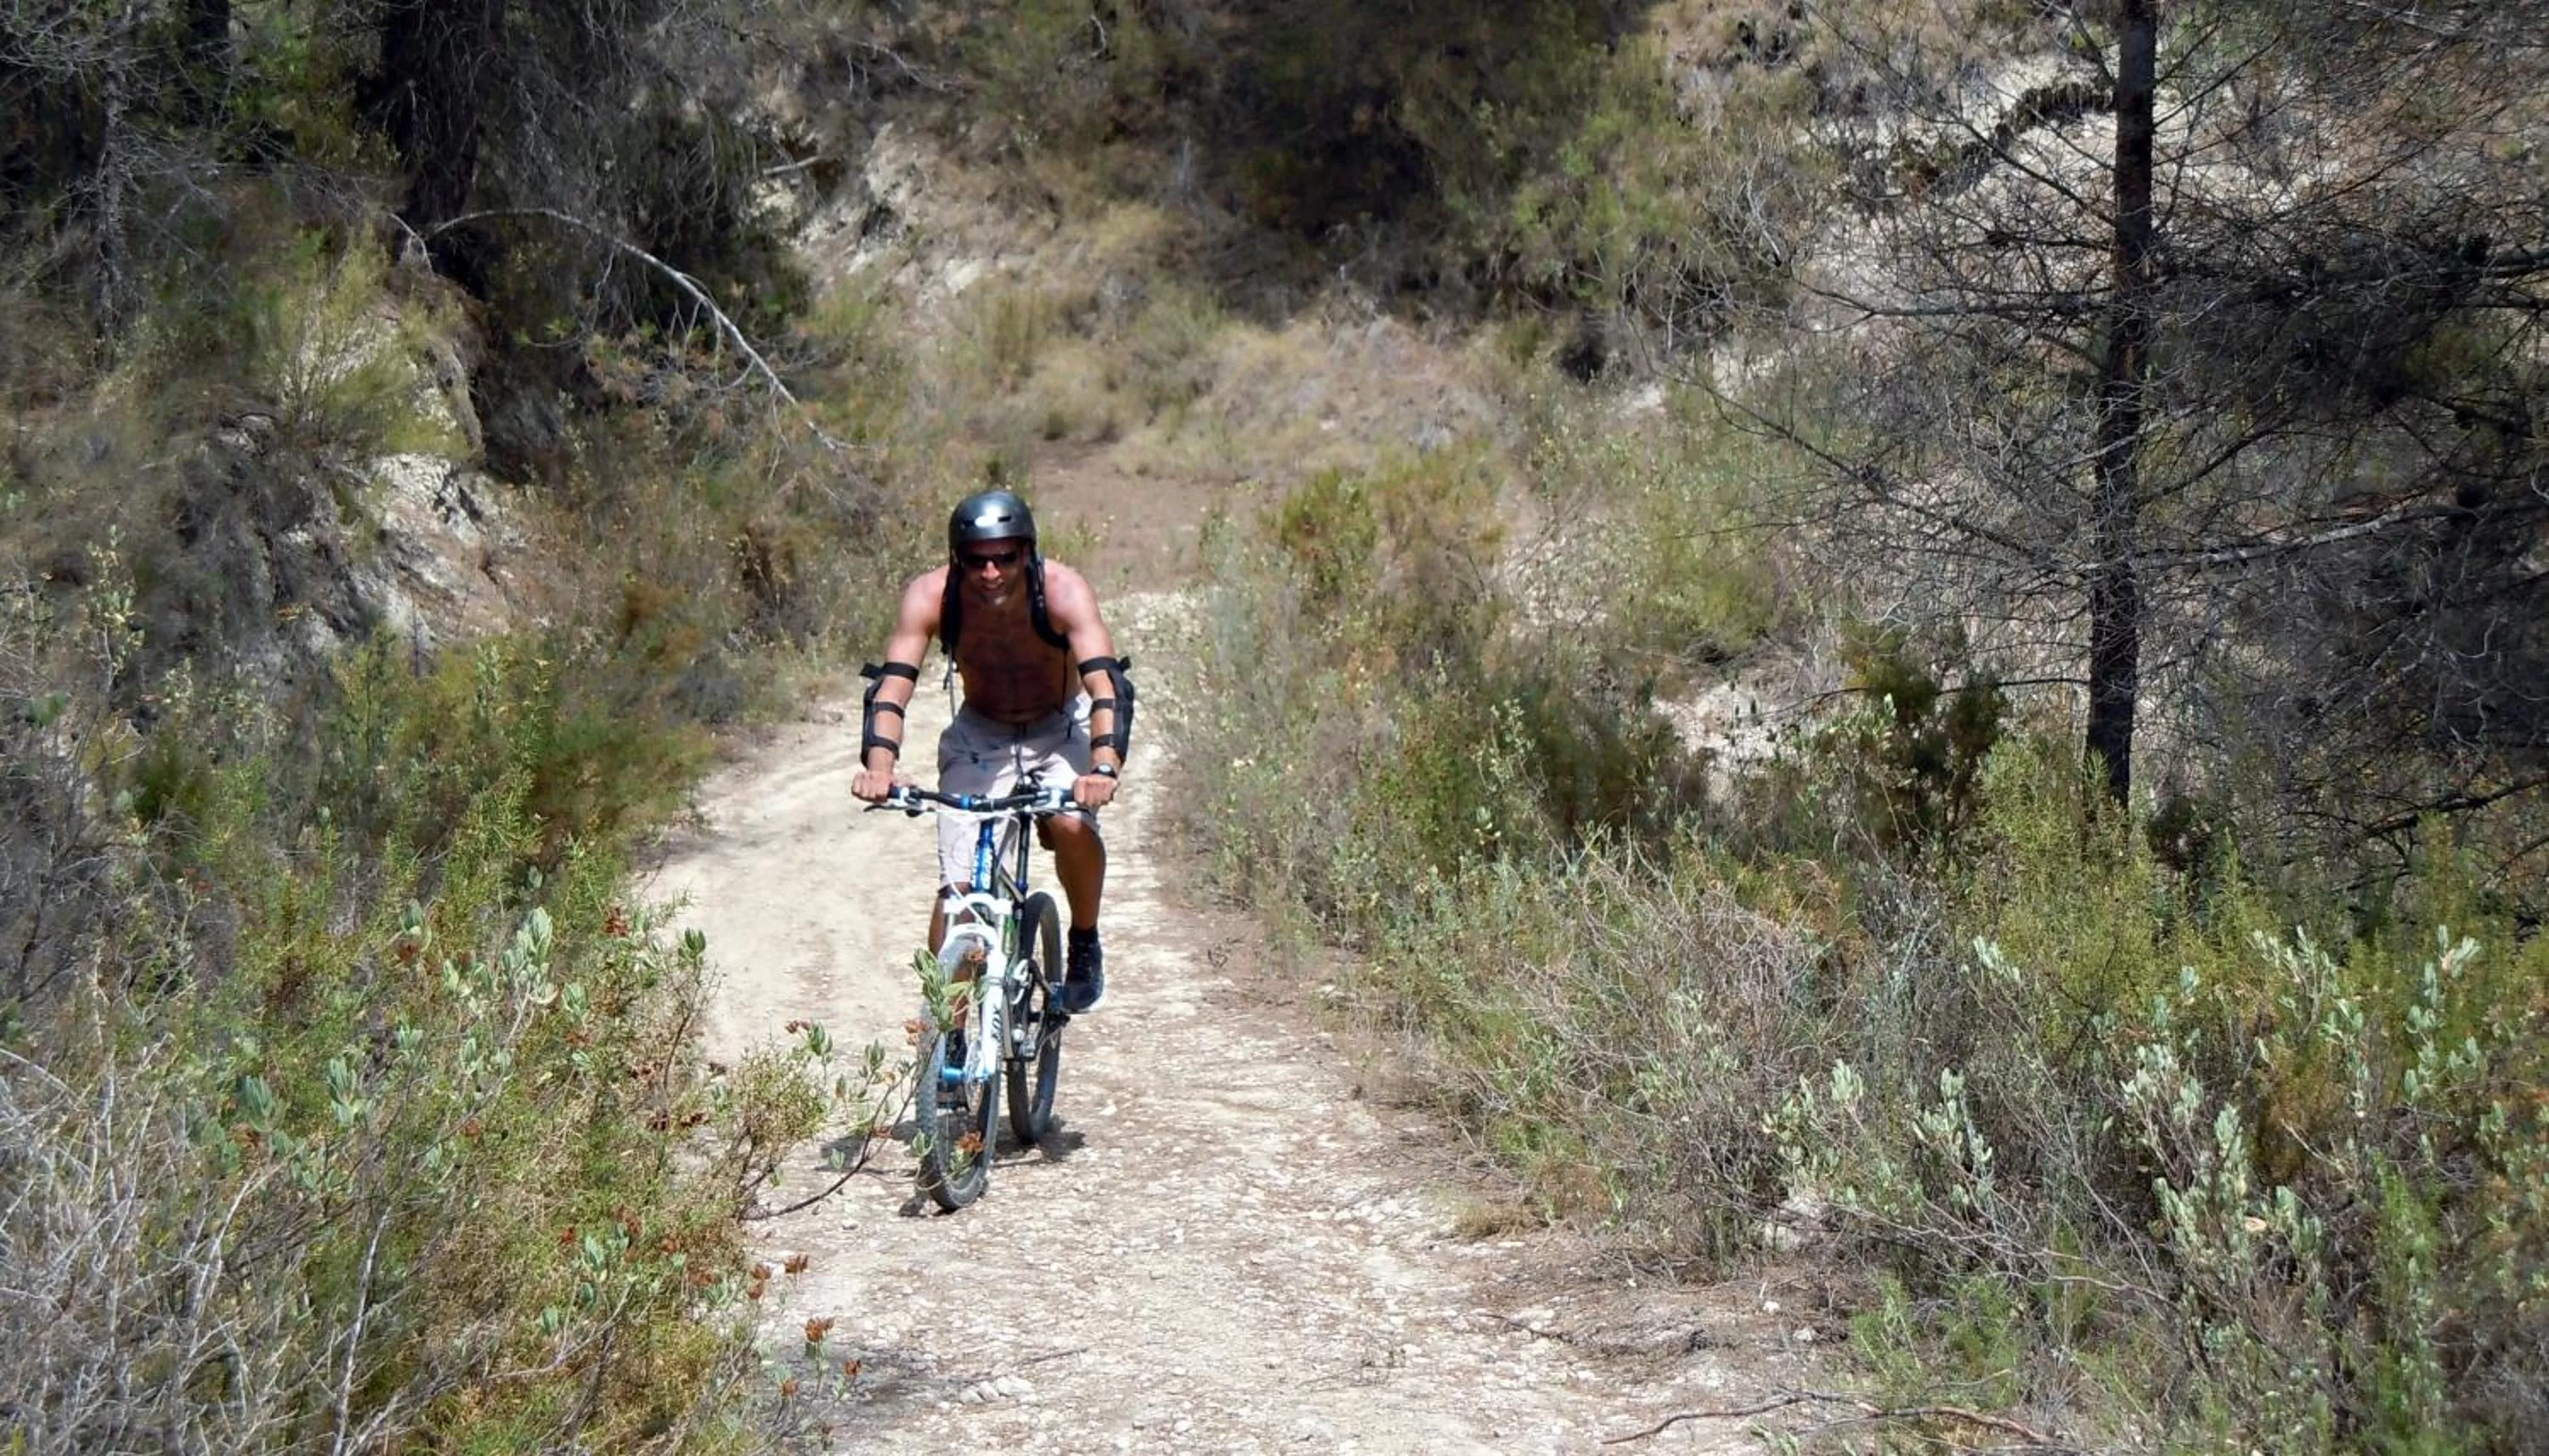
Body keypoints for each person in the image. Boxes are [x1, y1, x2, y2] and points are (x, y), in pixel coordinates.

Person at [849, 489, 1132, 1013]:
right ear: (959, 560)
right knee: (958, 891)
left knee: (1070, 824)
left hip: (1057, 725)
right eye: (977, 560)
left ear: (1027, 553)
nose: (991, 572)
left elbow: (1107, 687)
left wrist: (1102, 767)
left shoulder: (1064, 591)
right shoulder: (933, 596)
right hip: (981, 733)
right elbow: (891, 688)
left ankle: (1085, 941)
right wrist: (880, 768)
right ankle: (946, 1043)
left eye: (1005, 557)